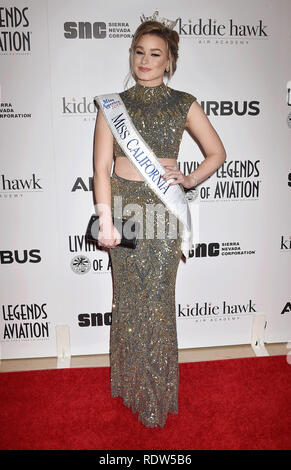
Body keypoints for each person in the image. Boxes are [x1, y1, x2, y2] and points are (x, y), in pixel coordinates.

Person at [93, 16, 226, 428]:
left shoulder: (183, 102)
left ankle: (155, 393)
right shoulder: (112, 104)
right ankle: (130, 383)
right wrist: (106, 220)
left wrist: (189, 179)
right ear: (131, 54)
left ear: (169, 61)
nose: (145, 61)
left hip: (162, 212)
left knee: (157, 303)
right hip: (125, 210)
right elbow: (100, 170)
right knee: (129, 301)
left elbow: (216, 153)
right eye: (139, 52)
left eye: (155, 54)